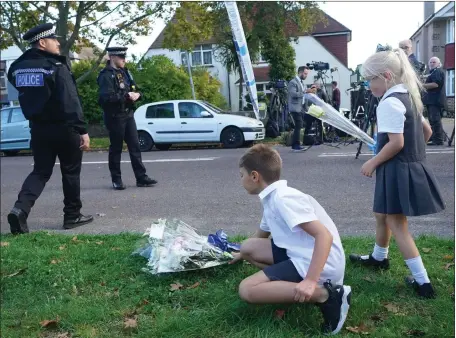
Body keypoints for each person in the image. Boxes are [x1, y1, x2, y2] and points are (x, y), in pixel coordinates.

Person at [351, 46, 445, 299]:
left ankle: (423, 283)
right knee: (381, 213)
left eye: (371, 79)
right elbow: (426, 132)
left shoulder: (389, 103)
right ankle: (378, 258)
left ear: (387, 77)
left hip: (395, 170)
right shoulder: (409, 96)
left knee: (397, 223)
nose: (369, 85)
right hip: (405, 167)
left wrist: (372, 162)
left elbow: (396, 143)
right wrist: (412, 155)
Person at [232, 144, 351, 335]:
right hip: (300, 254)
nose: (241, 180)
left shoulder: (284, 199)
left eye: (241, 175)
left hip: (319, 263)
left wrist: (311, 280)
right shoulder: (271, 197)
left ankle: (328, 295)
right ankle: (291, 286)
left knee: (247, 290)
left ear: (254, 176)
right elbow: (260, 236)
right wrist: (240, 254)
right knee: (248, 247)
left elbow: (324, 235)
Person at [6, 23, 94, 234]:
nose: (58, 43)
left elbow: (16, 82)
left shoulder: (18, 68)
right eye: (54, 40)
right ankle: (72, 216)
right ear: (43, 43)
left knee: (40, 172)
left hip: (39, 129)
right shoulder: (56, 67)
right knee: (70, 172)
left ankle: (20, 210)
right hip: (65, 128)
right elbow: (70, 102)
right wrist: (83, 130)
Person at [97, 47, 157, 190]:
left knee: (135, 147)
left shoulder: (125, 72)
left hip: (128, 114)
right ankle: (116, 180)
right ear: (112, 57)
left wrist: (137, 95)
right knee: (116, 149)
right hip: (114, 116)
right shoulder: (105, 75)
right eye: (121, 57)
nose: (124, 59)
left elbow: (134, 88)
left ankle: (141, 177)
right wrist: (125, 96)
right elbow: (105, 98)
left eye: (124, 57)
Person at [287, 66, 312, 151]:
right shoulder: (293, 82)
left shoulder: (302, 83)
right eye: (305, 74)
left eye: (307, 74)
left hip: (301, 108)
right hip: (294, 108)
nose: (306, 75)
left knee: (301, 124)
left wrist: (309, 90)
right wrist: (305, 91)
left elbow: (303, 95)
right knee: (299, 125)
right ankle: (295, 145)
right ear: (300, 73)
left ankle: (297, 144)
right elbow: (293, 94)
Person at [422, 57, 445, 145]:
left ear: (439, 63)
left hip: (436, 100)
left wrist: (422, 85)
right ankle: (436, 137)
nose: (432, 63)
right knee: (433, 120)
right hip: (432, 100)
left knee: (435, 120)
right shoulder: (432, 73)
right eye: (430, 62)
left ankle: (438, 140)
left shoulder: (437, 71)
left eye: (434, 62)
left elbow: (435, 84)